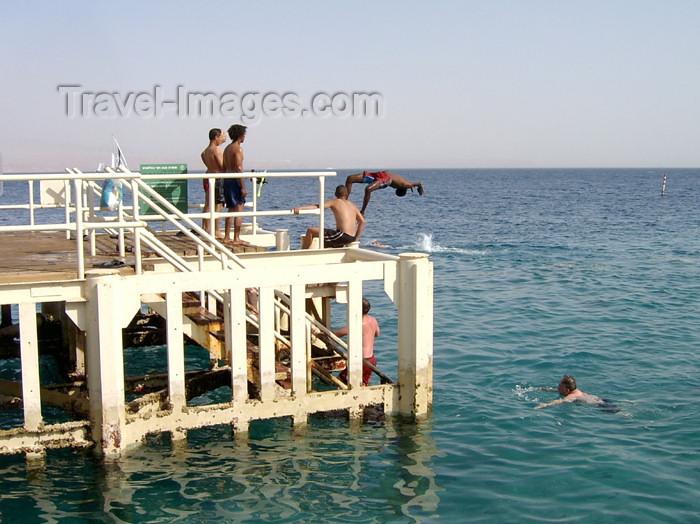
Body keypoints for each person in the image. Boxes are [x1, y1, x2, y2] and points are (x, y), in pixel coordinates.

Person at [293, 185, 365, 249]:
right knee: (325, 238)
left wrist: (301, 208)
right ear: (346, 195)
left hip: (342, 236)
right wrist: (356, 238)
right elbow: (362, 222)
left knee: (311, 231)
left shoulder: (334, 201)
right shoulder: (353, 205)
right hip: (351, 237)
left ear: (335, 194)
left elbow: (318, 207)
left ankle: (302, 254)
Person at [334, 298, 380, 386]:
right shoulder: (373, 320)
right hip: (372, 359)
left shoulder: (358, 323)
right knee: (363, 384)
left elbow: (340, 333)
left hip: (361, 361)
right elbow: (377, 334)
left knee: (339, 381)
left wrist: (324, 333)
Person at [344, 171, 424, 215]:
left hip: (382, 176)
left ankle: (362, 211)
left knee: (351, 179)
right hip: (385, 177)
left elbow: (417, 184)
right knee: (367, 189)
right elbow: (418, 183)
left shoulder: (406, 184)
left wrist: (418, 187)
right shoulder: (406, 184)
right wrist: (419, 187)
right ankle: (345, 201)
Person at [222, 124, 249, 246]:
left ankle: (227, 236)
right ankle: (236, 237)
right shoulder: (237, 149)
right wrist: (242, 186)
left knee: (231, 209)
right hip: (234, 180)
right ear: (240, 135)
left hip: (227, 179)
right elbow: (238, 168)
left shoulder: (227, 148)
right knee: (239, 207)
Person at [200, 128, 227, 238]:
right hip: (217, 178)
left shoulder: (205, 151)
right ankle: (216, 230)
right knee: (218, 205)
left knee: (208, 203)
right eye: (222, 135)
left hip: (208, 176)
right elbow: (222, 166)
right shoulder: (216, 150)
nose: (224, 137)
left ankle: (205, 228)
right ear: (216, 137)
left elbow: (207, 162)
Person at [535, 375, 608, 410]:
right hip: (599, 400)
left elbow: (561, 400)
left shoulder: (572, 396)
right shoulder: (577, 391)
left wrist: (545, 405)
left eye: (560, 386)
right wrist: (544, 389)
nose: (558, 388)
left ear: (567, 390)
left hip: (600, 406)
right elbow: (558, 391)